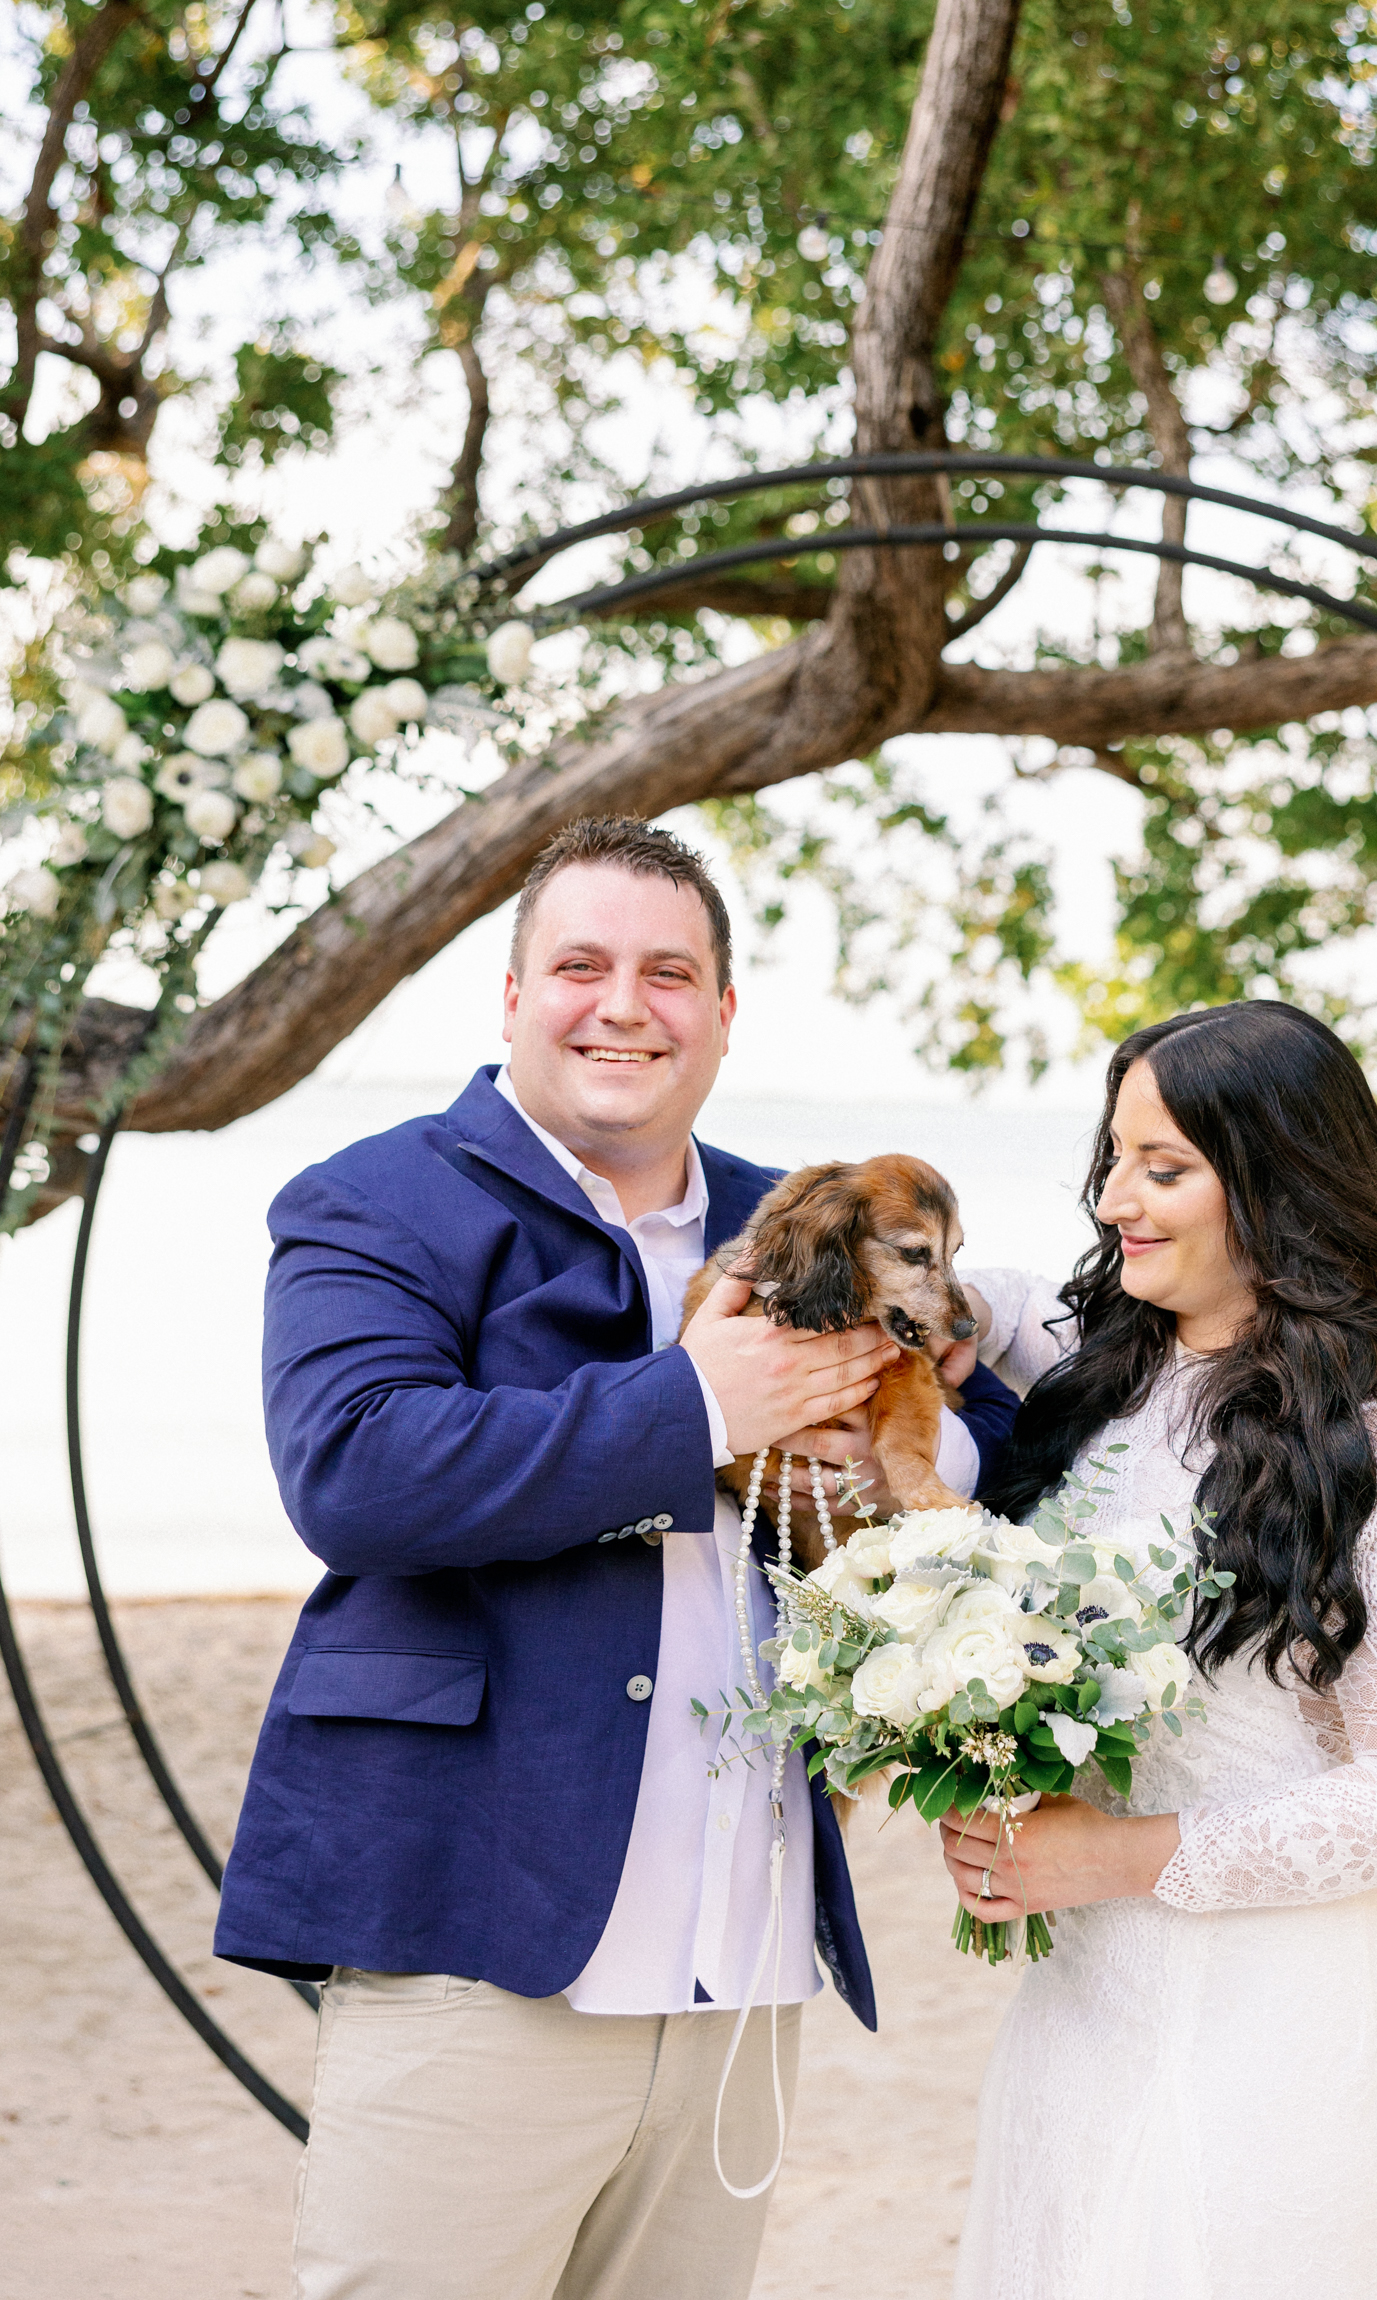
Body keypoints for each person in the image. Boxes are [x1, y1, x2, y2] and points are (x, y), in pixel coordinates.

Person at [213, 815, 1020, 2300]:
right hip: (479, 1938)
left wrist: (914, 1460)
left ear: (721, 1014)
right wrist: (701, 1405)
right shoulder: (374, 1198)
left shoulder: (815, 1215)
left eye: (669, 971)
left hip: (748, 1957)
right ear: (512, 994)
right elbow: (359, 1472)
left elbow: (1016, 1433)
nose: (623, 1004)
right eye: (580, 964)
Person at [943, 1001, 1377, 2300]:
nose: (1116, 1198)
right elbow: (975, 1296)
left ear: (1275, 1185)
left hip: (1282, 2015)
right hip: (1083, 2007)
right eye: (1115, 1157)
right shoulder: (1094, 1368)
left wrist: (1117, 1854)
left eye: (1166, 1168)